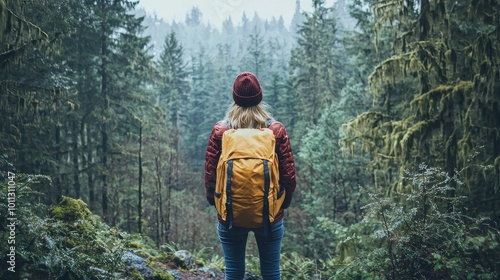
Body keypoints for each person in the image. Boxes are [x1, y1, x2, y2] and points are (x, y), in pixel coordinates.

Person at [205, 72, 297, 280]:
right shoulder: (275, 130)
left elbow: (210, 176)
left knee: (234, 272)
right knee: (271, 272)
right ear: (260, 98)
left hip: (229, 215)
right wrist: (281, 205)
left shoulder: (221, 131)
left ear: (234, 98)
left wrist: (216, 203)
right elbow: (289, 178)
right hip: (270, 214)